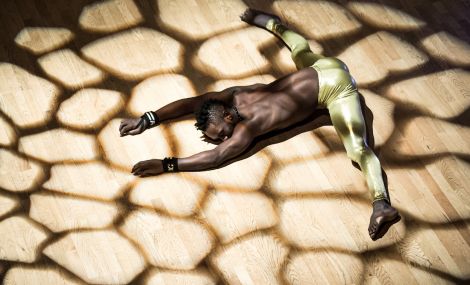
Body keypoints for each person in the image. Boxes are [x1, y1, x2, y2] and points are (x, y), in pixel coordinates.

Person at [119, 8, 400, 240]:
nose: (222, 139)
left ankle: (381, 205)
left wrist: (166, 164)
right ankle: (264, 19)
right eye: (218, 137)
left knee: (359, 150)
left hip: (339, 91)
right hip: (325, 67)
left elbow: (216, 158)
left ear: (228, 117)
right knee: (299, 49)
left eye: (220, 134)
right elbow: (191, 103)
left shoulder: (248, 127)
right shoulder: (235, 94)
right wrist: (148, 118)